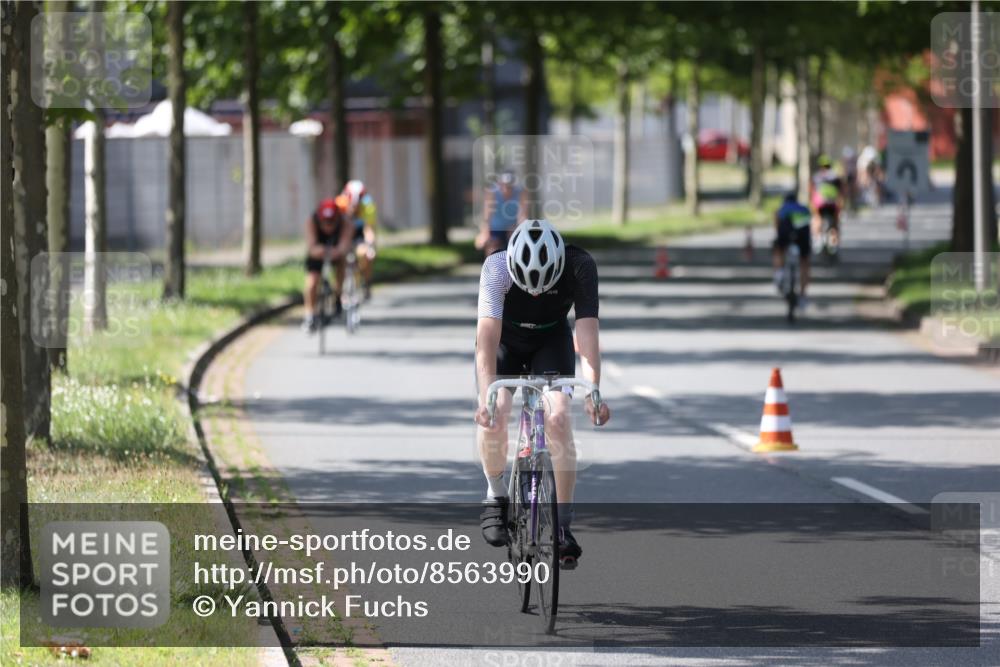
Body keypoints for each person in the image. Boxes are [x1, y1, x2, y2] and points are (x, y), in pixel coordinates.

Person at [473, 219, 611, 568]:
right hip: (506, 340)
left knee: (559, 416)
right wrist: (485, 398)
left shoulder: (580, 266)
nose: (535, 294)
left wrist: (593, 390)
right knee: (497, 412)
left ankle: (563, 524)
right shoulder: (496, 267)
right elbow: (486, 341)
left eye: (542, 286)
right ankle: (496, 492)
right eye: (528, 286)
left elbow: (588, 332)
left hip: (551, 340)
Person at [302, 197, 353, 332]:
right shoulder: (311, 221)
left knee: (342, 263)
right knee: (312, 282)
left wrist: (336, 252)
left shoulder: (345, 223)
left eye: (331, 222)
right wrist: (322, 251)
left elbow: (344, 247)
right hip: (318, 253)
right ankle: (309, 315)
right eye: (324, 222)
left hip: (336, 252)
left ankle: (338, 295)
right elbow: (312, 248)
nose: (328, 226)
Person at [339, 179, 378, 300]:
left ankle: (366, 282)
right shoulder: (340, 204)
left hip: (360, 234)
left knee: (366, 255)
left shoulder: (368, 206)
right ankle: (340, 290)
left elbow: (369, 229)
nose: (354, 207)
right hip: (344, 234)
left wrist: (370, 245)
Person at [773, 192, 813, 309]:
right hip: (802, 235)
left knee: (778, 250)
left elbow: (777, 226)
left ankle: (779, 273)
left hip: (785, 232)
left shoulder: (781, 209)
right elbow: (809, 225)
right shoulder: (804, 209)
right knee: (804, 261)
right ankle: (803, 295)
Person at [475, 171, 527, 257]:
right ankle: (491, 267)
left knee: (516, 247)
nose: (506, 188)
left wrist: (520, 228)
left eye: (509, 186)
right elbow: (487, 216)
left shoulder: (521, 193)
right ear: (499, 184)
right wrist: (485, 233)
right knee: (492, 248)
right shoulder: (492, 193)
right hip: (495, 229)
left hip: (512, 228)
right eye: (504, 185)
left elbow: (523, 215)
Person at [810, 154, 844, 246]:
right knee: (835, 223)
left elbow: (812, 192)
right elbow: (841, 192)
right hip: (833, 205)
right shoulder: (836, 177)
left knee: (816, 218)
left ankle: (817, 239)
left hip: (820, 205)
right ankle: (835, 243)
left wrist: (812, 204)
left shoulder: (816, 177)